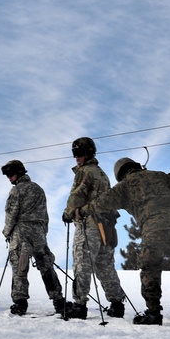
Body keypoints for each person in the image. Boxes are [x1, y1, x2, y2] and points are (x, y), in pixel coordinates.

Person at [82, 157, 170, 325]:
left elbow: (100, 203)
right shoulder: (159, 175)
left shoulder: (124, 186)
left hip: (153, 229)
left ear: (120, 174)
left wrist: (79, 211)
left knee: (150, 269)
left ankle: (153, 313)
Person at [62, 137, 126, 320]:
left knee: (82, 263)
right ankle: (117, 304)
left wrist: (68, 213)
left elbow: (77, 196)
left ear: (89, 153)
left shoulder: (85, 172)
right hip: (106, 226)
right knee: (105, 266)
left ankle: (79, 306)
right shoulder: (102, 174)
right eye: (74, 153)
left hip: (89, 224)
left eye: (79, 153)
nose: (76, 157)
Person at [1, 160, 65, 316]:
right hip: (39, 232)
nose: (9, 178)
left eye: (10, 174)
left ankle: (20, 303)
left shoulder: (16, 190)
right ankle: (59, 301)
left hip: (21, 232)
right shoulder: (38, 189)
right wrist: (42, 232)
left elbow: (11, 214)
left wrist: (7, 232)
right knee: (46, 265)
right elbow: (45, 214)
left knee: (20, 266)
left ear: (19, 173)